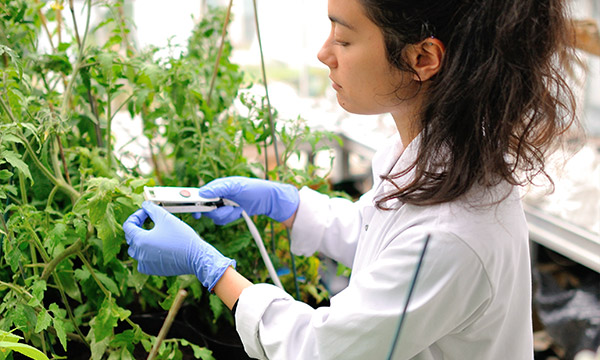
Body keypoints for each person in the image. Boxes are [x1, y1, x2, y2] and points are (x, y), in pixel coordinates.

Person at [123, 0, 578, 358]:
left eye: (342, 38)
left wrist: (212, 269)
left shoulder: (452, 233)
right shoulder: (439, 152)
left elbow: (317, 348)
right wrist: (289, 205)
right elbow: (380, 236)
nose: (324, 54)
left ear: (422, 57)